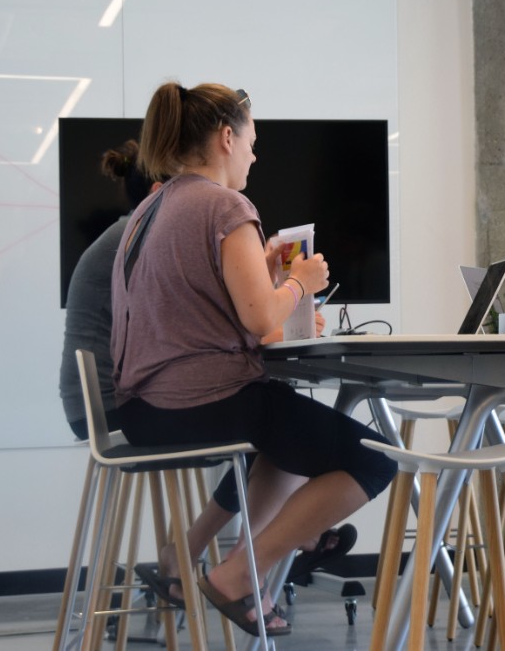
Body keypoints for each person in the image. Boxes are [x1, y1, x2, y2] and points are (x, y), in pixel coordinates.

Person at [111, 81, 395, 637]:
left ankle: (242, 562)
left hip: (144, 407)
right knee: (376, 460)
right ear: (225, 138)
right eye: (251, 141)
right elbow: (262, 321)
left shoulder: (151, 208)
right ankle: (238, 575)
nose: (254, 153)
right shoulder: (224, 206)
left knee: (284, 438)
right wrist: (298, 280)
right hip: (201, 401)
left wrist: (269, 283)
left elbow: (208, 312)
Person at [59, 140, 155, 441]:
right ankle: (226, 492)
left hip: (95, 405)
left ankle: (228, 491)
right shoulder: (137, 238)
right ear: (157, 193)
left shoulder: (127, 233)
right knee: (259, 415)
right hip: (108, 409)